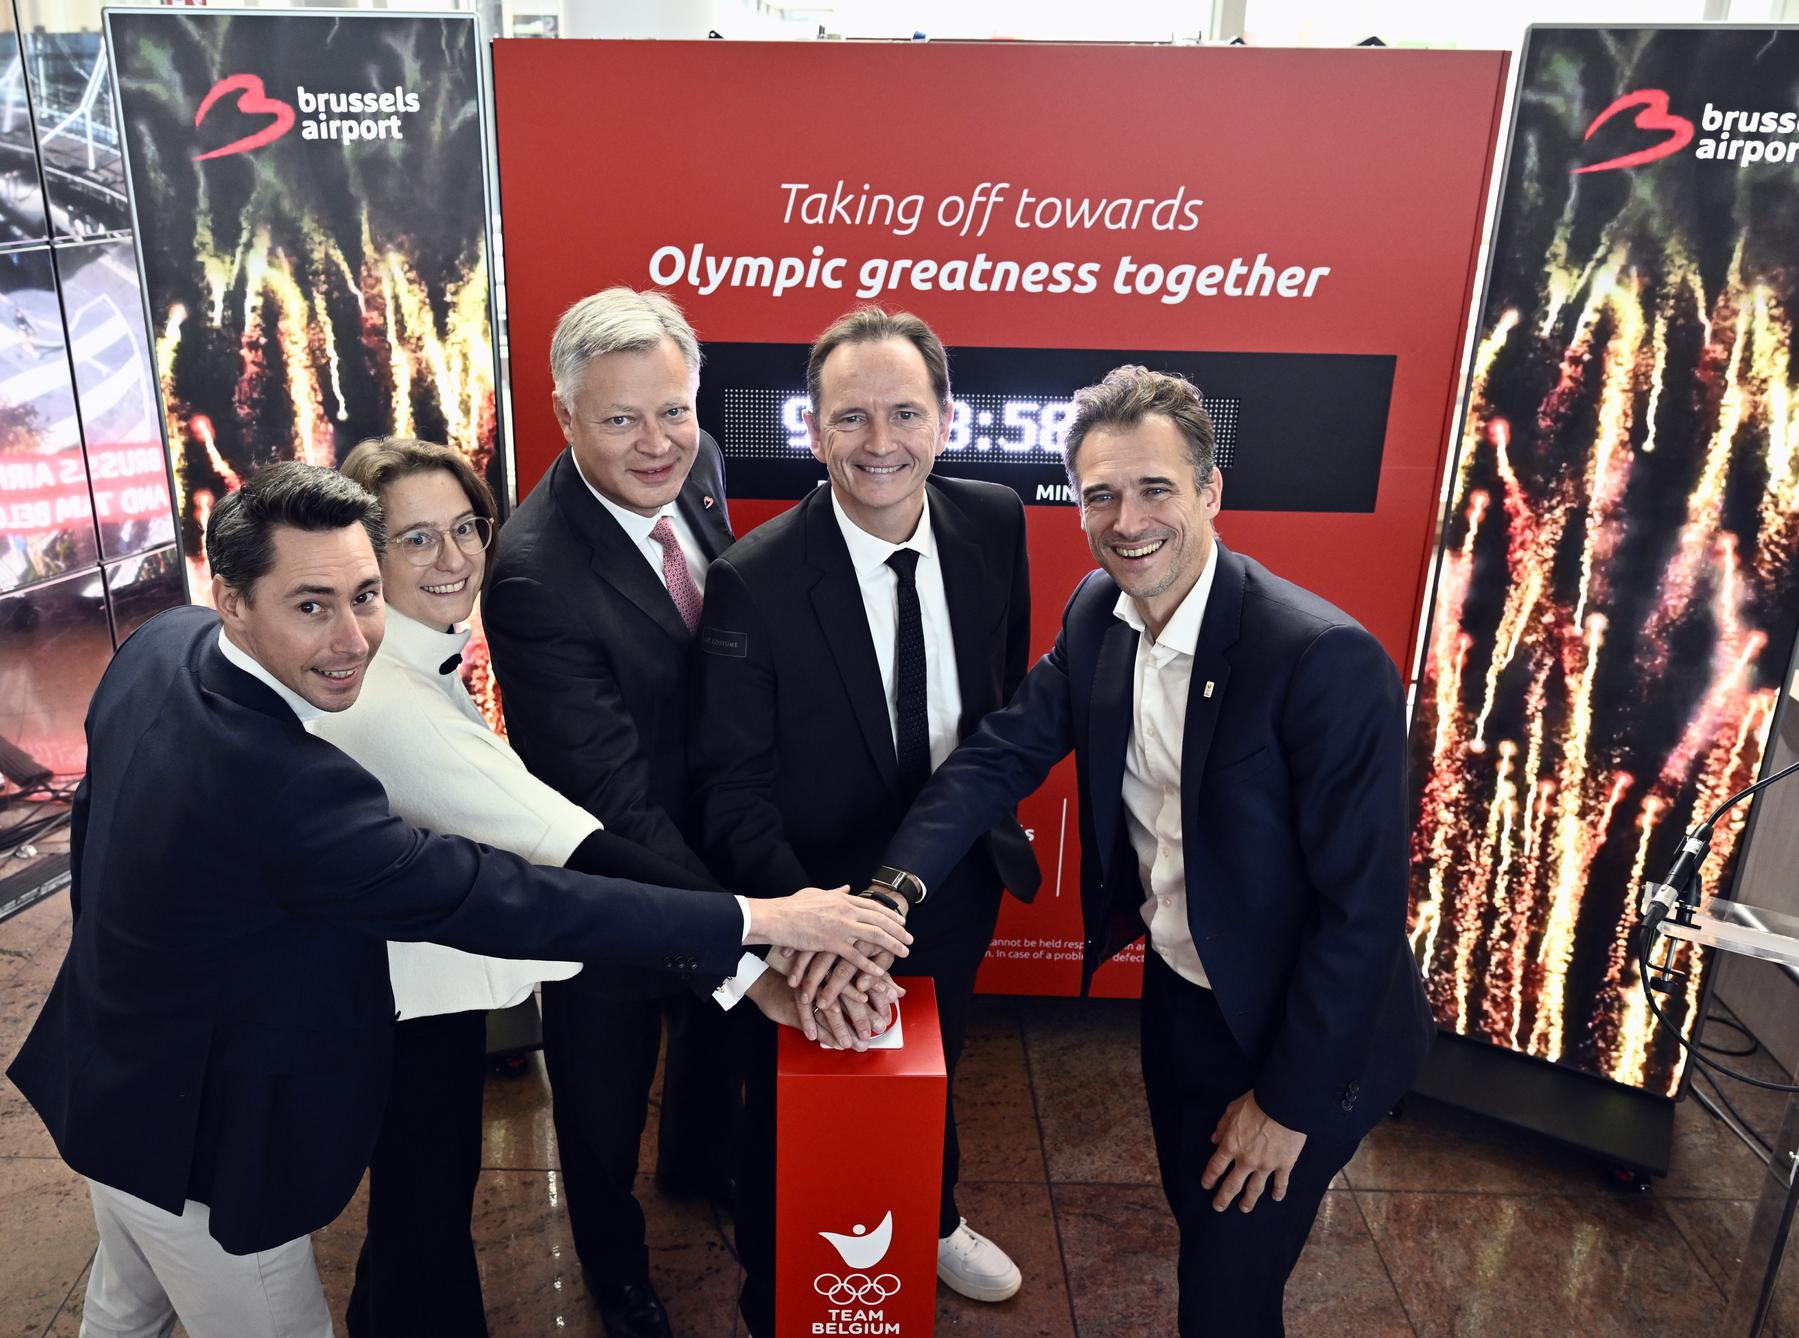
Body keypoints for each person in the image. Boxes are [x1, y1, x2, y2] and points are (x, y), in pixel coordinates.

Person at [4, 461, 907, 1338]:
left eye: (363, 595)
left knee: (121, 1313)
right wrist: (758, 923)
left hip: (111, 1081)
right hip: (200, 1144)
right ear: (233, 600)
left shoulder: (159, 644)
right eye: (311, 606)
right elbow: (515, 897)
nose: (353, 638)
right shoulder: (286, 785)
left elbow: (97, 826)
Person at [811, 366, 1434, 1336]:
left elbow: (1359, 917)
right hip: (1182, 997)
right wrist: (891, 890)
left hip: (1308, 1031)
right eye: (1100, 494)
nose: (1126, 519)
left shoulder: (1321, 660)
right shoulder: (1098, 617)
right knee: (1206, 1234)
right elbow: (995, 758)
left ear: (1211, 493)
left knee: (1226, 1290)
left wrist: (1287, 1102)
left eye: (1155, 490)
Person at [313, 437, 818, 1337]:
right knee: (427, 1214)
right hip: (401, 1008)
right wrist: (760, 946)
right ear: (364, 553)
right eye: (416, 540)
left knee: (414, 1213)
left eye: (465, 527)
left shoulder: (416, 649)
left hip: (424, 984)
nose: (456, 556)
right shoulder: (399, 701)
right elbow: (578, 850)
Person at [693, 306, 1040, 1330]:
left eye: (903, 413)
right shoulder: (751, 579)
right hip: (817, 897)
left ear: (945, 422)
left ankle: (930, 1221)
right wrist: (809, 938)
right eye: (850, 418)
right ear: (813, 430)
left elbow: (999, 700)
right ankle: (773, 1291)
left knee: (935, 1064)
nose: (877, 442)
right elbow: (734, 788)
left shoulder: (994, 520)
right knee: (793, 1109)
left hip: (955, 876)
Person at [481, 288, 745, 1338]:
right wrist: (733, 918)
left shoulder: (704, 466)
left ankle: (697, 1168)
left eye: (673, 410)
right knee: (599, 1099)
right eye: (621, 420)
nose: (658, 443)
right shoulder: (537, 574)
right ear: (565, 415)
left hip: (711, 837)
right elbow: (608, 795)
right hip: (610, 875)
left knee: (713, 1044)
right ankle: (615, 1273)